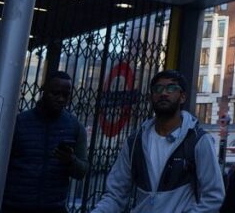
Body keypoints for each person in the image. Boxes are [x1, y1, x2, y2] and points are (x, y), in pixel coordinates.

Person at [92, 69, 224, 212]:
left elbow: (214, 197)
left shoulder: (198, 140)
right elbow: (115, 194)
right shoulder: (135, 142)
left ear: (183, 97)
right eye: (158, 89)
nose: (164, 93)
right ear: (151, 97)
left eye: (171, 88)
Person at [3, 70, 89, 213]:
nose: (61, 99)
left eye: (66, 95)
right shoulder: (19, 123)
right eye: (55, 93)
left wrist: (70, 160)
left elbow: (82, 171)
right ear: (44, 90)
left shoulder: (75, 127)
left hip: (53, 207)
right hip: (15, 206)